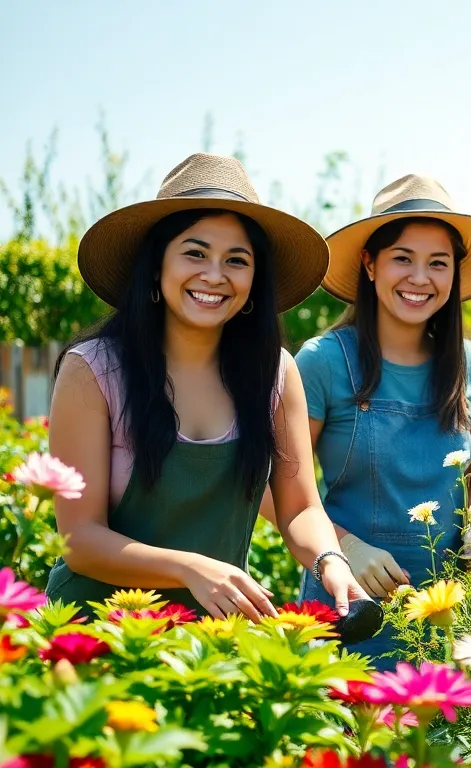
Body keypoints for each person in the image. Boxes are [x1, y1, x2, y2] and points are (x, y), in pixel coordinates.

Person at [46, 153, 364, 621]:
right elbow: (80, 539)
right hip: (96, 637)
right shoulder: (93, 371)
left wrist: (330, 559)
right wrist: (188, 569)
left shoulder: (274, 374)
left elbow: (299, 509)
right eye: (195, 253)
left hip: (212, 644)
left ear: (255, 281)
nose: (214, 276)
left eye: (236, 260)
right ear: (156, 265)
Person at [295, 174, 471, 666]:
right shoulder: (325, 361)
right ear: (370, 266)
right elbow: (276, 488)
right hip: (351, 604)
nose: (420, 278)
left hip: (452, 611)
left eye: (438, 263)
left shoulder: (470, 364)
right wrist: (346, 548)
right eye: (402, 259)